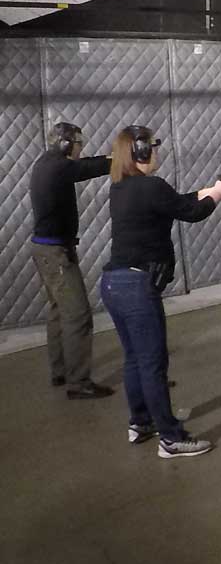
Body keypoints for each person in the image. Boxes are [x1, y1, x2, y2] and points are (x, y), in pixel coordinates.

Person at [102, 125, 221, 457]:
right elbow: (190, 212)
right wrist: (216, 196)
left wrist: (210, 189)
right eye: (153, 147)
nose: (158, 152)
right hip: (136, 287)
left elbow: (175, 203)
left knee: (135, 359)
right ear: (142, 152)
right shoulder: (151, 186)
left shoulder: (122, 187)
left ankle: (142, 422)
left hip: (114, 284)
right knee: (152, 363)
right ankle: (171, 438)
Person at [27, 122, 114, 398]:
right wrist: (119, 159)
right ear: (66, 144)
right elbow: (89, 168)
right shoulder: (59, 167)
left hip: (47, 251)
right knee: (78, 314)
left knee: (58, 310)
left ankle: (60, 370)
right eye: (78, 144)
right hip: (55, 253)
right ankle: (78, 383)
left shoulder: (46, 162)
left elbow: (85, 164)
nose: (80, 148)